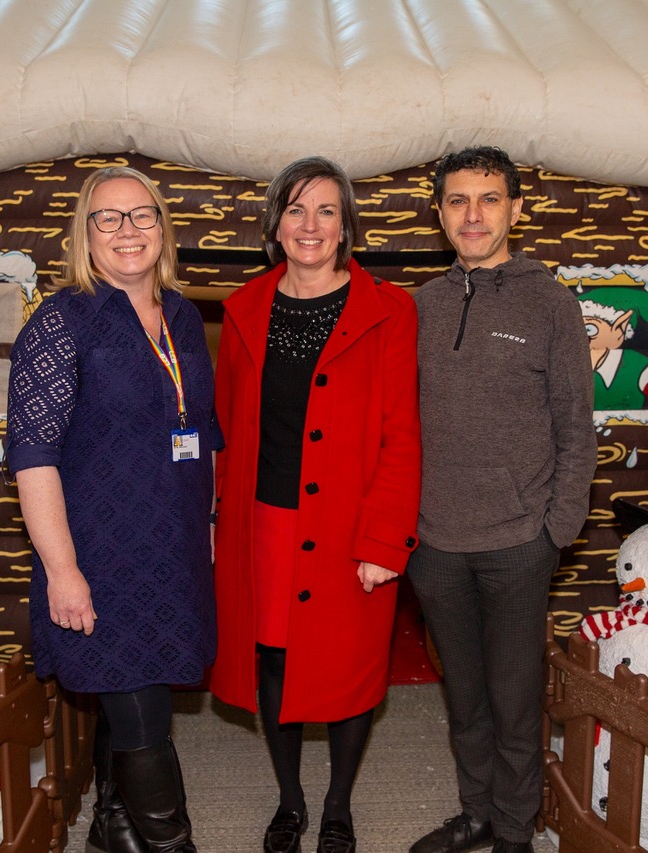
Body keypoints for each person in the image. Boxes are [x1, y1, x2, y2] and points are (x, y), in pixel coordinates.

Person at [6, 166, 221, 853]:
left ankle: (113, 826)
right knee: (143, 711)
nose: (128, 231)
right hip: (99, 552)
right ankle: (169, 842)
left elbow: (202, 429)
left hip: (173, 544)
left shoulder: (183, 314)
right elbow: (33, 456)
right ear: (85, 233)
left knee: (133, 687)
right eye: (109, 218)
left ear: (163, 227)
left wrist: (209, 525)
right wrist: (62, 570)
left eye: (142, 215)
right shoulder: (61, 322)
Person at [210, 156, 421, 853]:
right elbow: (226, 422)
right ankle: (291, 799)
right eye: (296, 209)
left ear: (346, 227)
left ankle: (338, 804)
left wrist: (384, 541)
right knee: (273, 657)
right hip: (263, 520)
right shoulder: (242, 310)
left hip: (351, 525)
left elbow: (400, 433)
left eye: (326, 210)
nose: (310, 225)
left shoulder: (390, 312)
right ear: (275, 224)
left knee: (351, 664)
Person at [406, 147, 597, 853]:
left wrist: (557, 529)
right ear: (440, 214)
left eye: (489, 199)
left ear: (516, 209)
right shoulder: (418, 307)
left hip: (520, 541)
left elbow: (577, 425)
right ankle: (479, 813)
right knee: (465, 699)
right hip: (435, 546)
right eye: (458, 200)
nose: (473, 214)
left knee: (516, 704)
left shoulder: (550, 302)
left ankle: (515, 833)